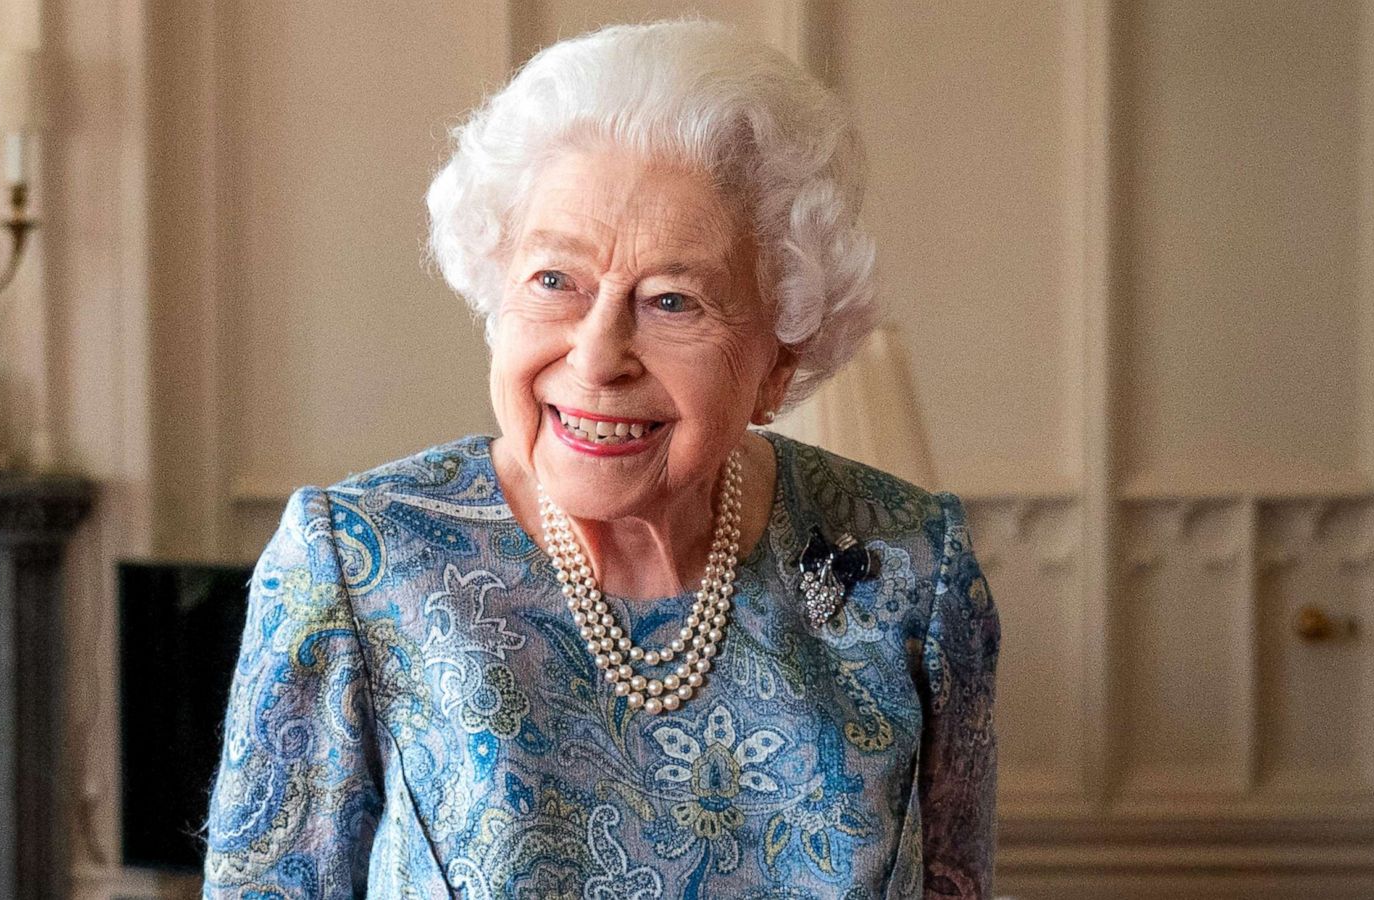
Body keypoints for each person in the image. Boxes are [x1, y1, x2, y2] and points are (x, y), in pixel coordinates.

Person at [202, 19, 999, 899]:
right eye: (555, 281)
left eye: (672, 299)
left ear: (778, 358)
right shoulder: (358, 566)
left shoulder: (907, 569)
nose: (596, 355)